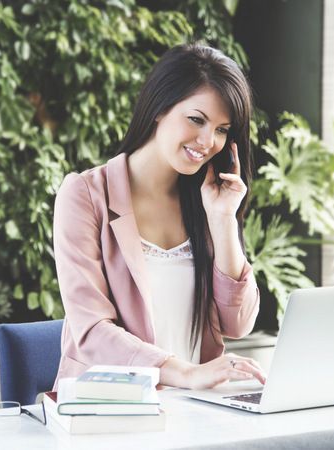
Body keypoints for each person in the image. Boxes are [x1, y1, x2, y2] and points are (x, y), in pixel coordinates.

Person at [52, 43, 266, 390]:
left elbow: (238, 324)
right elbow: (91, 331)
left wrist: (224, 221)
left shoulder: (207, 200)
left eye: (222, 129)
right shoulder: (86, 195)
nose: (208, 141)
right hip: (111, 409)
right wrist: (185, 373)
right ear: (158, 109)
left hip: (198, 414)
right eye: (196, 119)